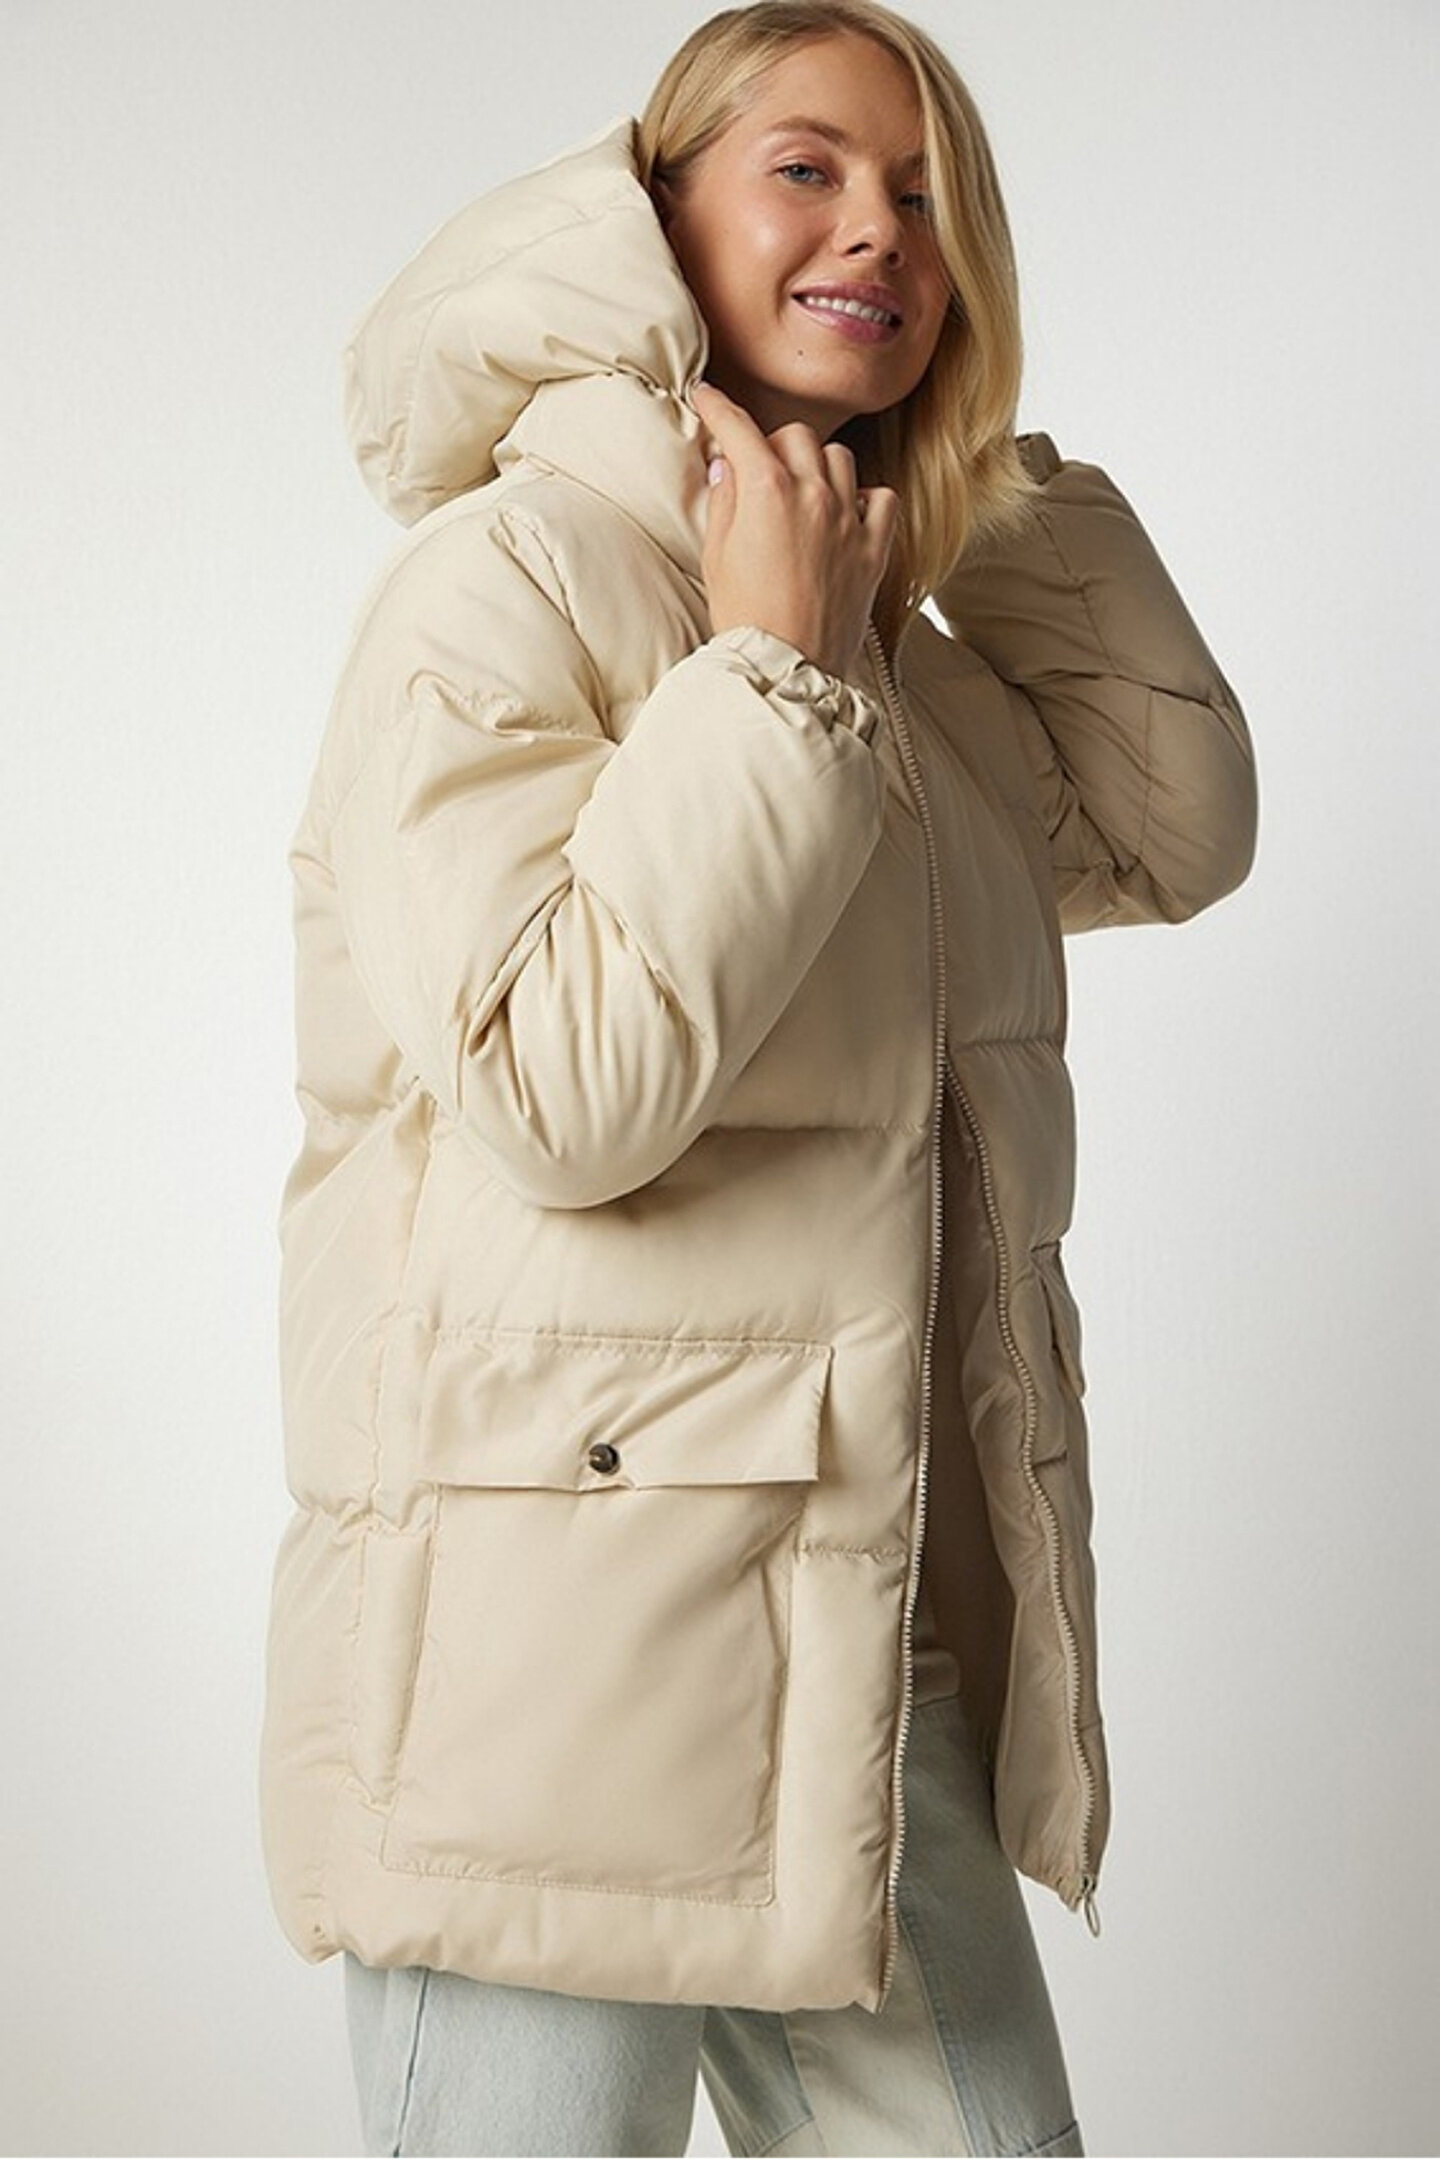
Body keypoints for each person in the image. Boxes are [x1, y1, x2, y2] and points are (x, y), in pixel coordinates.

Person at [259, 2, 1258, 2152]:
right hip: (552, 1681)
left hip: (862, 1649)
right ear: (653, 217)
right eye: (806, 168)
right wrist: (766, 669)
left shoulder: (907, 657)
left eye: (925, 195)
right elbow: (563, 1090)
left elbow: (1171, 829)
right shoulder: (499, 583)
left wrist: (956, 496)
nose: (878, 229)